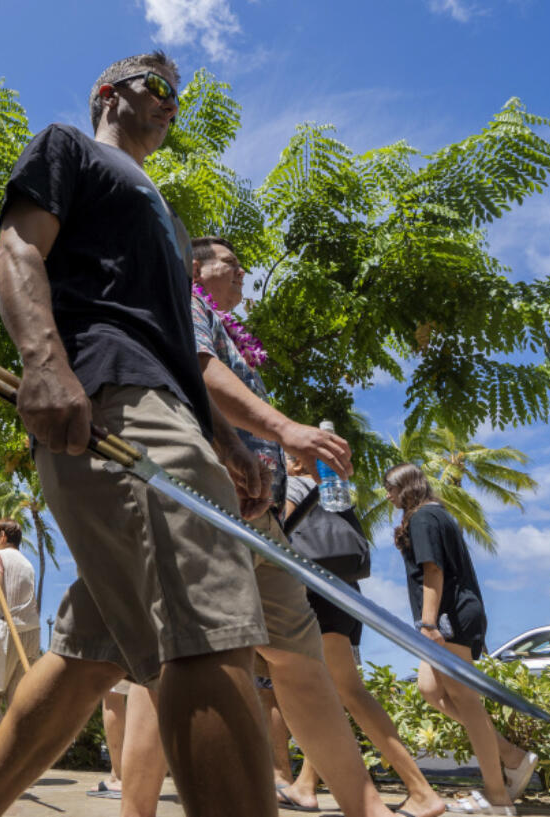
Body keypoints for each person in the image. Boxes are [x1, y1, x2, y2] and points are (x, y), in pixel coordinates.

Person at [0, 51, 277, 817]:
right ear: (108, 91)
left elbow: (167, 342)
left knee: (87, 658)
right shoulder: (71, 147)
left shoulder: (169, 216)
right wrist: (44, 363)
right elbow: (20, 249)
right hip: (113, 407)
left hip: (162, 410)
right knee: (207, 620)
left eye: (177, 98)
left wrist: (224, 437)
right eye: (156, 87)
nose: (169, 105)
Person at [116, 235, 398, 817]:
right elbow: (196, 369)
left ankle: (365, 806)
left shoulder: (229, 328)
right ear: (196, 268)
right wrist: (286, 430)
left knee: (299, 659)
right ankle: (136, 810)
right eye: (231, 264)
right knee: (176, 660)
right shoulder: (186, 303)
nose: (242, 274)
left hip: (259, 516)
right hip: (203, 496)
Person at [276, 453, 445, 816]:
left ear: (300, 463)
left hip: (314, 594)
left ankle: (422, 792)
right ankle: (306, 785)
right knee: (333, 692)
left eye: (288, 456)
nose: (283, 460)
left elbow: (278, 532)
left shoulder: (295, 485)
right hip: (346, 595)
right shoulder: (337, 493)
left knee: (348, 692)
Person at [384, 463, 536, 816]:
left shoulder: (422, 517)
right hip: (451, 614)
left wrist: (428, 622)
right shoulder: (437, 515)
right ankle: (512, 757)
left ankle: (498, 798)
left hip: (447, 616)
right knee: (429, 690)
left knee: (465, 699)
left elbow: (432, 570)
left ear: (406, 487)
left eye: (390, 488)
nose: (387, 496)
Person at [0, 518, 42, 735]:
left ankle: (3, 746)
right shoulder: (27, 564)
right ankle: (18, 754)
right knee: (17, 700)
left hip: (8, 631)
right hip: (32, 633)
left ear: (2, 537)